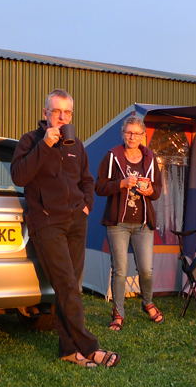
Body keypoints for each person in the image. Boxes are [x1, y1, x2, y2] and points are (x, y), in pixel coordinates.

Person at [10, 89, 119, 369]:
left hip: (76, 222)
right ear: (45, 113)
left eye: (67, 112)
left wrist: (86, 206)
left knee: (70, 288)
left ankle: (68, 350)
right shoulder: (30, 141)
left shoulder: (76, 146)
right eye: (56, 111)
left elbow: (87, 179)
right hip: (47, 223)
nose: (61, 117)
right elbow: (19, 175)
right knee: (67, 285)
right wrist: (45, 144)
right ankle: (90, 346)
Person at [95, 115, 164, 331]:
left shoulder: (151, 158)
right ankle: (118, 313)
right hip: (118, 223)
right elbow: (99, 187)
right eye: (128, 132)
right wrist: (122, 183)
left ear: (143, 136)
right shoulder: (113, 156)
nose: (132, 136)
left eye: (136, 133)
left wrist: (150, 190)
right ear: (123, 134)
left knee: (146, 269)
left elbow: (158, 191)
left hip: (142, 223)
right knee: (120, 269)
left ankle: (148, 302)